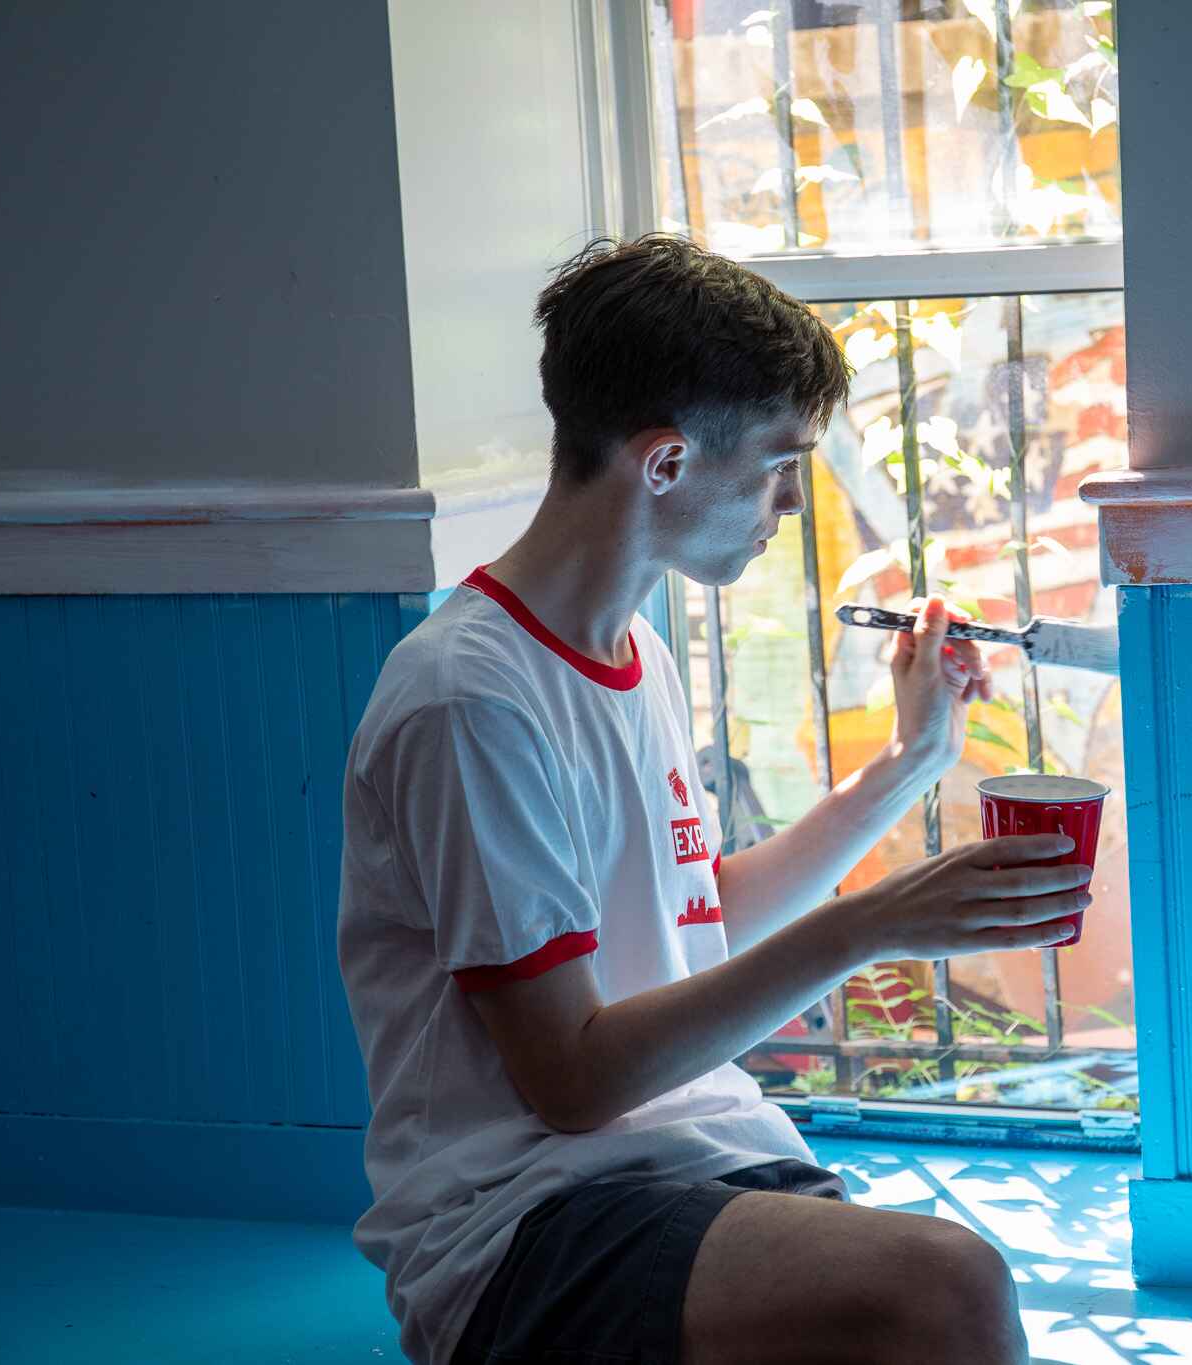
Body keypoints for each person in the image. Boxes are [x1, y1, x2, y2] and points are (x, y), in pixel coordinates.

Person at [335, 234, 1094, 1365]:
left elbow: (697, 923)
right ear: (665, 464)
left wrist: (908, 763)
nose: (788, 501)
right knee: (949, 1286)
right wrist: (872, 927)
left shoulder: (633, 650)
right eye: (779, 464)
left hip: (695, 1160)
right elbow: (574, 1080)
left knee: (938, 1296)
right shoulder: (469, 701)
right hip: (521, 1223)